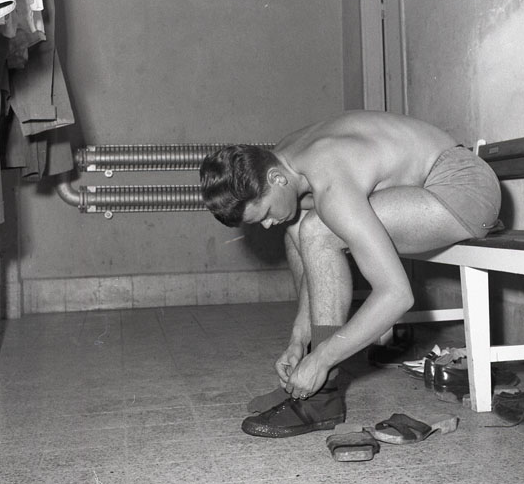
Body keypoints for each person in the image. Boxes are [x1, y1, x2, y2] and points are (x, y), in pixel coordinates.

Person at [199, 110, 501, 438]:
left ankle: (323, 397)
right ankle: (315, 383)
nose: (268, 224)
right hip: (429, 181)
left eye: (266, 213)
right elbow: (301, 240)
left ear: (276, 178)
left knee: (318, 229)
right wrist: (300, 340)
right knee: (298, 224)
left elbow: (397, 295)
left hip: (464, 187)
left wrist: (323, 360)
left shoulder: (329, 176)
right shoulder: (282, 159)